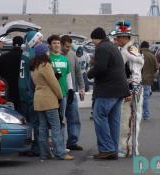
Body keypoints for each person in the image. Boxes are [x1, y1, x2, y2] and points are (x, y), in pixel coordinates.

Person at [87, 27, 130, 160]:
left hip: (107, 90)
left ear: (95, 38)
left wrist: (90, 73)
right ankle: (113, 149)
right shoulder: (111, 46)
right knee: (113, 120)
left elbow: (101, 68)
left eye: (92, 40)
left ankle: (107, 149)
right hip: (119, 90)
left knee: (99, 116)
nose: (92, 43)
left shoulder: (102, 48)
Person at [30, 43, 74, 161]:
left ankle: (44, 153)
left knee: (42, 127)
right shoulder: (46, 65)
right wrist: (60, 95)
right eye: (47, 51)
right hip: (49, 99)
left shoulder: (34, 66)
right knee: (56, 126)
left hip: (38, 99)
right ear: (44, 53)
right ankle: (60, 153)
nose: (49, 53)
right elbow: (53, 82)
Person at [113, 20, 144, 157]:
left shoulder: (131, 51)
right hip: (126, 88)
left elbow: (136, 74)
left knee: (133, 118)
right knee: (125, 119)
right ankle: (126, 147)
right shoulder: (123, 50)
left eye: (119, 37)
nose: (117, 39)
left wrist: (131, 91)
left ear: (125, 38)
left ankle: (130, 148)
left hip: (132, 89)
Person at [18, 31, 43, 156]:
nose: (40, 42)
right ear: (34, 41)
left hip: (22, 90)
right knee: (35, 123)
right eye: (39, 40)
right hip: (30, 92)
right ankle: (35, 148)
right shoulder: (33, 54)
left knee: (25, 123)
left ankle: (24, 147)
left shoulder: (24, 53)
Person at [61, 35, 85, 150]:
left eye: (70, 47)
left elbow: (78, 72)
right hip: (59, 93)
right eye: (66, 46)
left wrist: (82, 88)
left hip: (72, 92)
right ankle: (59, 143)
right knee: (59, 119)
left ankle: (72, 142)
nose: (68, 49)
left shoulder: (73, 56)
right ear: (61, 44)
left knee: (74, 118)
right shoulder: (54, 56)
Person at [47, 35, 74, 141]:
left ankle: (61, 144)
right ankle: (52, 144)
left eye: (58, 43)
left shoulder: (64, 59)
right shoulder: (47, 58)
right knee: (51, 121)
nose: (57, 45)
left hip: (63, 94)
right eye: (54, 43)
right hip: (51, 94)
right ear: (50, 45)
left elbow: (68, 76)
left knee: (62, 120)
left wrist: (70, 90)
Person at [0, 36, 24, 110]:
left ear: (13, 44)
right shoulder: (25, 57)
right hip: (21, 89)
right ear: (22, 44)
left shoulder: (3, 57)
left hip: (8, 88)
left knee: (9, 111)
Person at [140, 41, 158, 119]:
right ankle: (146, 115)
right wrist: (153, 77)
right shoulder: (152, 56)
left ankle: (138, 114)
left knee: (137, 98)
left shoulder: (138, 55)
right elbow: (157, 69)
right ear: (148, 47)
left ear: (141, 47)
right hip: (148, 80)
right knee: (146, 97)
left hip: (137, 80)